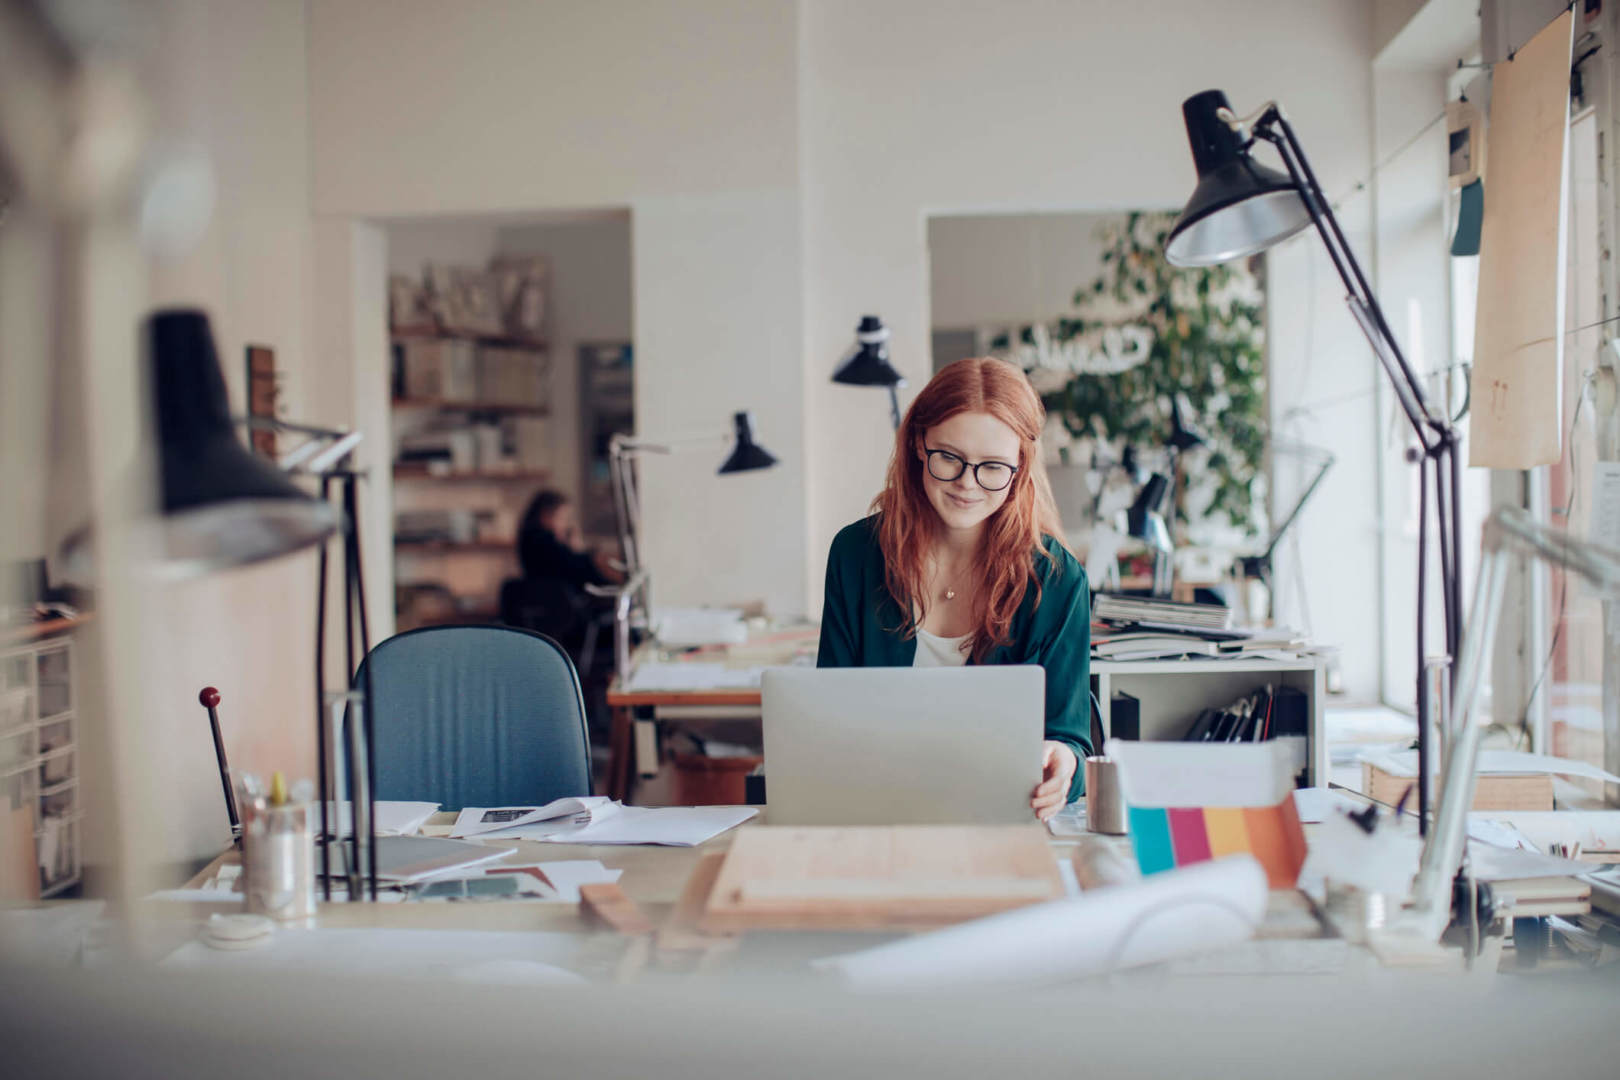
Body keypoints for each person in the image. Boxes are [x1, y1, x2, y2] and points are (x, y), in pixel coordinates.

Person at [817, 356, 1090, 821]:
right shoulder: (855, 554)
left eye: (992, 467)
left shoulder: (1056, 578)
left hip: (1001, 818)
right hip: (874, 813)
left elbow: (1070, 742)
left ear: (1019, 470)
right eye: (949, 457)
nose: (967, 483)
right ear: (919, 446)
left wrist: (1064, 763)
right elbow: (824, 719)